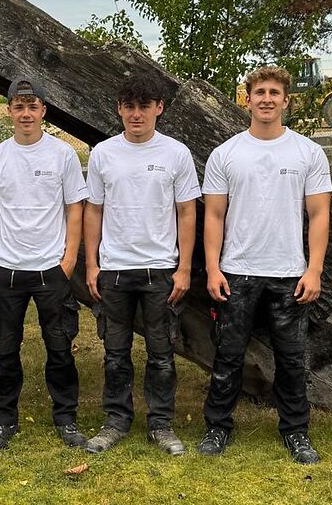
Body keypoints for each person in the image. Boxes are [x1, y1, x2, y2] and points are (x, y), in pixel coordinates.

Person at [197, 66, 332, 464]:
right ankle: (217, 428)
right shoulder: (226, 154)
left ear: (286, 100)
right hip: (236, 271)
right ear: (248, 99)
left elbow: (319, 215)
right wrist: (213, 268)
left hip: (289, 273)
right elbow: (214, 216)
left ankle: (296, 432)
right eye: (260, 92)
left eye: (274, 92)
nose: (267, 99)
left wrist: (314, 269)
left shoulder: (307, 152)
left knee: (291, 359)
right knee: (228, 354)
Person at [82, 73, 200, 456]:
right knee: (115, 354)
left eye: (144, 107)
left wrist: (184, 268)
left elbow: (186, 212)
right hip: (114, 270)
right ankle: (115, 422)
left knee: (161, 354)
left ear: (158, 108)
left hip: (160, 270)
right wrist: (92, 265)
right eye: (129, 106)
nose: (136, 115)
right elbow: (93, 210)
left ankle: (161, 425)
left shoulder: (176, 154)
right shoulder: (103, 154)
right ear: (119, 109)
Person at [0, 76, 89, 450]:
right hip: (8, 270)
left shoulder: (62, 155)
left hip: (51, 269)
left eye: (32, 106)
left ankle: (66, 419)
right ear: (9, 110)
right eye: (19, 107)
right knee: (5, 350)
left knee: (60, 347)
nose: (26, 113)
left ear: (44, 111)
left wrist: (68, 259)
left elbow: (75, 209)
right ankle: (4, 421)